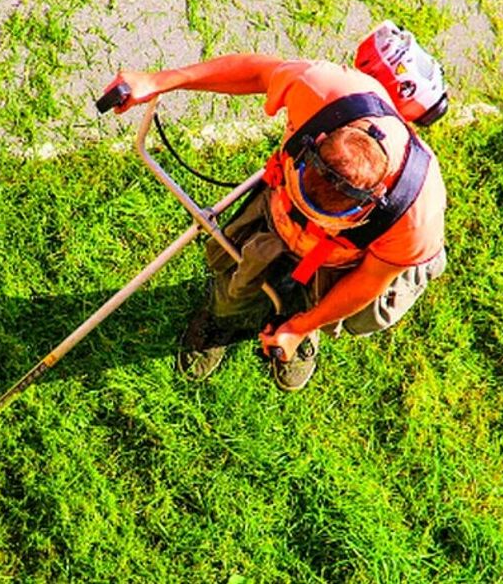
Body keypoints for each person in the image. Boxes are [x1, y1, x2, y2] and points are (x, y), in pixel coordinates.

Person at [104, 22, 448, 391]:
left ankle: (298, 327)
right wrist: (160, 80)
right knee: (237, 275)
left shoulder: (415, 212)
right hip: (277, 208)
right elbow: (257, 71)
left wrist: (300, 327)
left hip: (345, 258)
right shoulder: (327, 91)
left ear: (373, 202)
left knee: (322, 304)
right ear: (317, 142)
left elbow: (368, 280)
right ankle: (223, 319)